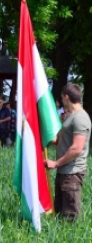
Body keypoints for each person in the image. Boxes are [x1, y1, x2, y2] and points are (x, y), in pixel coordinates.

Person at [46, 84, 91, 220]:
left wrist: (56, 163)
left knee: (70, 217)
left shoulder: (80, 118)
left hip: (72, 172)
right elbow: (59, 140)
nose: (61, 100)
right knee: (60, 215)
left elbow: (76, 148)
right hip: (64, 171)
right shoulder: (70, 117)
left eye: (61, 97)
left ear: (66, 97)